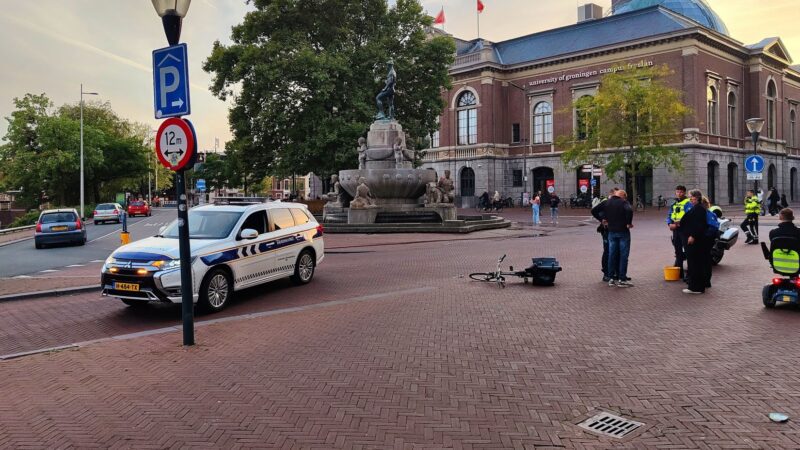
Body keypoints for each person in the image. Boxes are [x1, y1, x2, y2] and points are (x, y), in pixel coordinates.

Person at [681, 189, 710, 294]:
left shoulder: (699, 209)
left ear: (696, 198)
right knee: (693, 262)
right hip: (691, 238)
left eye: (691, 197)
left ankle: (696, 287)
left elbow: (699, 225)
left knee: (694, 262)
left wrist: (693, 236)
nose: (690, 199)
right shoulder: (696, 208)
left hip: (694, 240)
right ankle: (694, 285)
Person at [605, 189, 634, 287]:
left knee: (612, 255)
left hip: (611, 231)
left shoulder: (607, 202)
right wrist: (629, 223)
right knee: (623, 256)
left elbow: (595, 210)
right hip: (623, 232)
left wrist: (603, 219)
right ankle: (622, 279)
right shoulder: (623, 202)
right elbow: (629, 210)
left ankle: (611, 278)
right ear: (623, 196)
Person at [592, 187, 619, 282]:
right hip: (606, 230)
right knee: (607, 251)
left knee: (615, 251)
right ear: (611, 194)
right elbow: (594, 211)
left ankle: (615, 272)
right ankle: (606, 273)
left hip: (615, 229)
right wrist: (602, 220)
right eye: (616, 195)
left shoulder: (617, 203)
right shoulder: (605, 202)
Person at [666, 185, 692, 281]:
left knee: (688, 252)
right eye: (677, 192)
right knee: (678, 252)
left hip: (684, 230)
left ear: (684, 192)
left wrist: (676, 225)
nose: (679, 193)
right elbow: (669, 215)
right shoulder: (675, 203)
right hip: (676, 231)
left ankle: (689, 275)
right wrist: (669, 224)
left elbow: (688, 216)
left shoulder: (688, 203)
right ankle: (679, 272)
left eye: (681, 192)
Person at [701, 196, 720, 289]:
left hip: (706, 240)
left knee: (705, 260)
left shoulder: (708, 214)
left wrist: (704, 237)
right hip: (704, 239)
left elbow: (713, 227)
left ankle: (706, 281)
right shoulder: (703, 213)